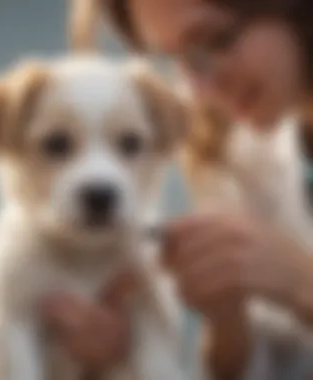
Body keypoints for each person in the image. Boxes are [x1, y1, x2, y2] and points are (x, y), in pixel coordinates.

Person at [42, 0, 313, 379]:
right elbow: (265, 363)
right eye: (179, 60)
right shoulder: (243, 155)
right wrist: (225, 313)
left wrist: (301, 283)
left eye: (214, 40)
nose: (199, 91)